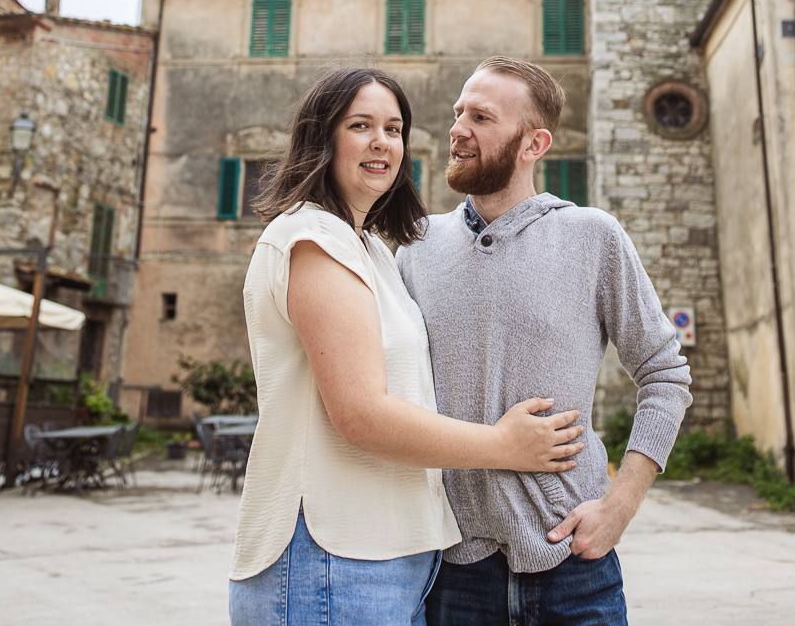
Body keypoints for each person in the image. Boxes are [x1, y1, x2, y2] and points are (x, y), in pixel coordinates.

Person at [228, 65, 584, 626]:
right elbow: (363, 415)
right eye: (360, 125)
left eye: (394, 129)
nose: (381, 142)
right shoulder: (313, 240)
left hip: (384, 562)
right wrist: (505, 445)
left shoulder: (371, 249)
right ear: (322, 137)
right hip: (330, 562)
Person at [397, 56, 692, 626]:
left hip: (574, 567)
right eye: (459, 111)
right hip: (451, 573)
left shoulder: (593, 237)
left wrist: (621, 503)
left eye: (481, 117)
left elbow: (665, 373)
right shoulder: (416, 249)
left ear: (534, 144)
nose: (457, 129)